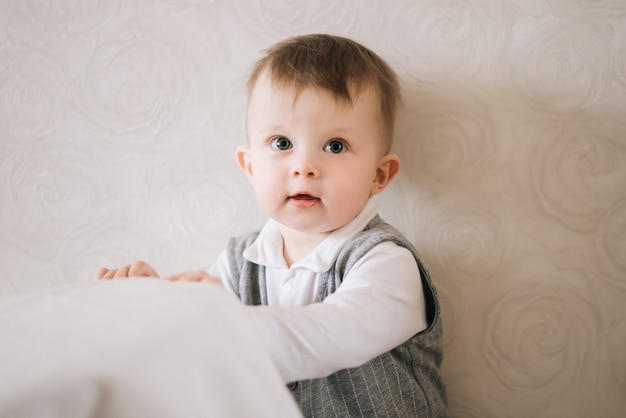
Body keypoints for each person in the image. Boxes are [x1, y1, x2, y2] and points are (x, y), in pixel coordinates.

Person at [97, 34, 448, 417]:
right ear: (250, 166)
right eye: (282, 143)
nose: (303, 166)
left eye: (335, 146)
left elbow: (323, 337)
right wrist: (155, 300)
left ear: (379, 175)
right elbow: (201, 348)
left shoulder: (387, 264)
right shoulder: (238, 262)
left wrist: (212, 317)